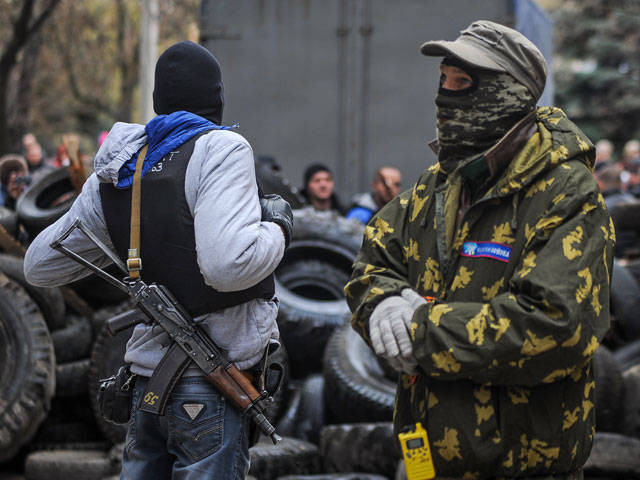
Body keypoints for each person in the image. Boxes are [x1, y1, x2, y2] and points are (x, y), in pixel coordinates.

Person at [344, 20, 614, 479]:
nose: (445, 97)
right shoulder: (437, 186)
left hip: (523, 469)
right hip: (427, 463)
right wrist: (383, 303)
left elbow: (555, 325)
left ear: (510, 93)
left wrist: (421, 330)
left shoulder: (566, 193)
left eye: (463, 84)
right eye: (443, 81)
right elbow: (374, 262)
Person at [24, 41, 292, 479]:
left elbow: (39, 264)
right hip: (211, 387)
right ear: (217, 98)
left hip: (146, 385)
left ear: (157, 101)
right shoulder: (221, 148)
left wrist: (119, 237)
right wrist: (278, 226)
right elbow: (228, 267)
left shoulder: (118, 167)